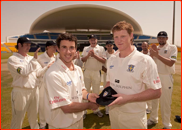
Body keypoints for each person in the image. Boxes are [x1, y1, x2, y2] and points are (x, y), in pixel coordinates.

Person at [105, 21, 162, 129]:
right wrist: (105, 94)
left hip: (134, 116)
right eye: (116, 37)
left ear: (131, 36)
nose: (119, 40)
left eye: (123, 36)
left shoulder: (145, 60)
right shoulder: (112, 59)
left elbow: (156, 92)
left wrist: (128, 98)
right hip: (114, 113)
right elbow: (109, 82)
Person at [44, 33, 99, 129]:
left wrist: (88, 95)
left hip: (78, 119)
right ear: (58, 48)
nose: (68, 51)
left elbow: (81, 89)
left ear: (75, 49)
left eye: (71, 47)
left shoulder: (77, 69)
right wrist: (89, 105)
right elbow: (66, 107)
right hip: (61, 124)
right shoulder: (53, 74)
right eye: (64, 47)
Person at [7, 37, 50, 129]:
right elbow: (24, 72)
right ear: (19, 45)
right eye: (26, 45)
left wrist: (47, 67)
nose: (29, 47)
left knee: (34, 118)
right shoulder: (13, 59)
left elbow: (38, 73)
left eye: (29, 45)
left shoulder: (30, 58)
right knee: (18, 119)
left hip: (34, 90)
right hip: (21, 92)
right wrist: (34, 60)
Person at [148, 31, 177, 129]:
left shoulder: (172, 47)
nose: (161, 39)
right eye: (159, 38)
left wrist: (157, 55)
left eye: (163, 38)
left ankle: (166, 124)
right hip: (155, 76)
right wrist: (152, 54)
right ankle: (153, 118)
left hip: (166, 76)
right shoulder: (155, 48)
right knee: (154, 100)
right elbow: (149, 62)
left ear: (167, 38)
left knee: (165, 101)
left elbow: (171, 63)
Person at [81, 34, 106, 118]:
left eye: (94, 39)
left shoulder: (101, 48)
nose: (93, 41)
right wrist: (88, 55)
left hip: (96, 72)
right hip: (87, 71)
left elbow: (103, 61)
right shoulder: (86, 48)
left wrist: (94, 55)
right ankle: (84, 111)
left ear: (96, 40)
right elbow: (82, 60)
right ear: (89, 41)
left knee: (96, 91)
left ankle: (96, 110)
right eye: (91, 40)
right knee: (85, 91)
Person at [37, 41, 56, 129]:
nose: (55, 48)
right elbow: (38, 73)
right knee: (42, 105)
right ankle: (42, 124)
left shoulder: (57, 57)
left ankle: (51, 122)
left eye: (55, 46)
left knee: (53, 104)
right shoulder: (40, 58)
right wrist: (47, 66)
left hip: (53, 85)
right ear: (47, 47)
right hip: (43, 85)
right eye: (53, 47)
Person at [102, 40, 115, 115]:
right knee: (106, 91)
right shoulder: (104, 54)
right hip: (106, 75)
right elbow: (101, 65)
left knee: (115, 90)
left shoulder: (117, 53)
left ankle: (113, 107)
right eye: (108, 45)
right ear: (106, 46)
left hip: (115, 75)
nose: (109, 47)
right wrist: (107, 71)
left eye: (110, 45)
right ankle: (107, 109)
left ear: (113, 45)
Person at [141, 41, 152, 114]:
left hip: (150, 76)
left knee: (150, 92)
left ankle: (150, 108)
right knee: (143, 92)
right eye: (143, 46)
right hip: (142, 76)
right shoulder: (139, 54)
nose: (144, 47)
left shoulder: (151, 54)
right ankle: (144, 107)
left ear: (148, 46)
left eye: (145, 46)